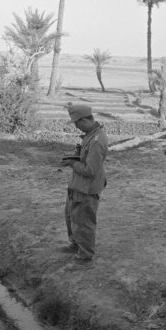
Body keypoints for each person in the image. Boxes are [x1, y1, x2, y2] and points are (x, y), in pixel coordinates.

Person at [60, 103, 108, 264]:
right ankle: (75, 244)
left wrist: (71, 164)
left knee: (84, 222)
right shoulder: (90, 134)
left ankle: (85, 256)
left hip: (87, 189)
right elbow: (84, 158)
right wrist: (73, 158)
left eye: (76, 123)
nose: (76, 127)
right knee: (71, 216)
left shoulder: (96, 140)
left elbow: (90, 170)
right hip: (78, 185)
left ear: (84, 120)